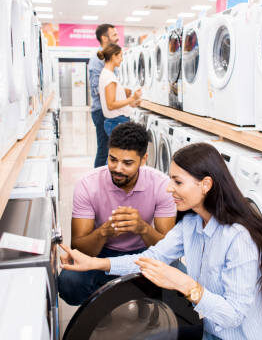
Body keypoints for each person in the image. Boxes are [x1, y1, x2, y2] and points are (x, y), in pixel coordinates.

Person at [60, 142, 262, 339]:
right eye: (171, 180)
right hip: (208, 330)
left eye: (178, 182)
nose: (169, 188)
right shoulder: (191, 223)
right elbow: (153, 257)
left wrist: (185, 284)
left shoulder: (239, 238)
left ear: (206, 185)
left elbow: (232, 317)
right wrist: (95, 263)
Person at [57, 122, 177, 306]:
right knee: (69, 283)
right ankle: (101, 306)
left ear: (143, 159)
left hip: (145, 252)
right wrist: (104, 231)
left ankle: (142, 303)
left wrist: (142, 228)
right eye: (113, 159)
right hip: (101, 252)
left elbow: (167, 248)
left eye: (127, 163)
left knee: (177, 279)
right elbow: (79, 247)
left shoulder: (161, 185)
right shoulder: (88, 184)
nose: (118, 168)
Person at [89, 24, 119, 167]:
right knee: (103, 150)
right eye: (114, 35)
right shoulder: (97, 59)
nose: (118, 38)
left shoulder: (108, 58)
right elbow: (97, 88)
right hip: (101, 111)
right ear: (104, 38)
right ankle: (98, 184)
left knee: (108, 150)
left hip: (107, 110)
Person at [97, 43, 141, 136]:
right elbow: (111, 105)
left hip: (115, 122)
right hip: (117, 123)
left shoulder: (107, 74)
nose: (122, 59)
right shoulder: (109, 77)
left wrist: (130, 103)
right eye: (120, 56)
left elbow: (113, 101)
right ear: (114, 56)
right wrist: (132, 98)